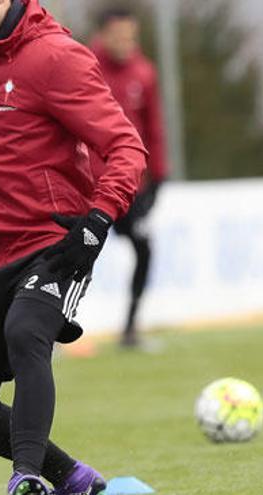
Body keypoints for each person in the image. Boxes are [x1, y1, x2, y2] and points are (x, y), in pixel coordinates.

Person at [0, 1, 147, 494]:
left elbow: (126, 148)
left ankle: (25, 480)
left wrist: (95, 224)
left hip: (54, 244)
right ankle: (74, 479)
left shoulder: (55, 57)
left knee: (25, 329)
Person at [89, 7, 168, 349]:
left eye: (131, 37)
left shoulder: (144, 72)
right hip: (87, 185)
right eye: (119, 36)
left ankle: (130, 329)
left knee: (144, 250)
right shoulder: (83, 65)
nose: (126, 43)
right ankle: (48, 333)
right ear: (103, 35)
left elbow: (154, 128)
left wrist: (159, 179)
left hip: (131, 187)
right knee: (70, 254)